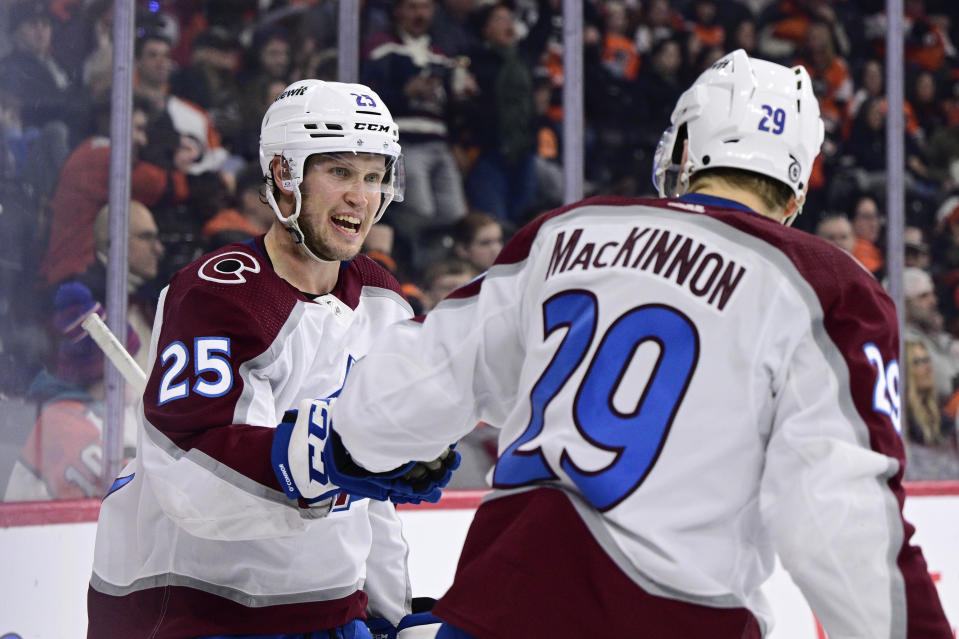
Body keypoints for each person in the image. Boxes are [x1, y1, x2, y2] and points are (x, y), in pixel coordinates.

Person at [328, 50, 952, 637]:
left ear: (686, 144)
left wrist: (360, 452)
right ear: (796, 184)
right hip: (674, 619)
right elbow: (841, 524)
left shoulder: (567, 232)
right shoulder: (827, 286)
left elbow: (390, 402)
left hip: (501, 605)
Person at [86, 79, 453, 639]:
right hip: (194, 610)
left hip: (327, 610)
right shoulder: (218, 294)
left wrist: (390, 612)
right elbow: (191, 474)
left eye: (375, 176)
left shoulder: (382, 304)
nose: (362, 197)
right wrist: (330, 458)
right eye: (340, 172)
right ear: (284, 176)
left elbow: (371, 503)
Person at [4, 282, 140, 501]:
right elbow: (129, 494)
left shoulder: (119, 411)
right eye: (130, 359)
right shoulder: (63, 420)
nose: (138, 367)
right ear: (110, 372)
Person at [902, 340, 959, 480]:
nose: (928, 367)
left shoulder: (942, 416)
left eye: (927, 360)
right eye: (918, 362)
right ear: (905, 369)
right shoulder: (902, 420)